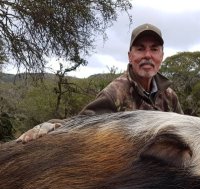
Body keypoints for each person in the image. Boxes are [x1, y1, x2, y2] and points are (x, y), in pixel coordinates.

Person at [17, 23, 183, 143]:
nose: (147, 55)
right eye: (140, 49)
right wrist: (50, 126)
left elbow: (184, 130)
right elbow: (83, 123)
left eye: (154, 49)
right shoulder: (116, 92)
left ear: (161, 56)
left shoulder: (169, 96)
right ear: (130, 56)